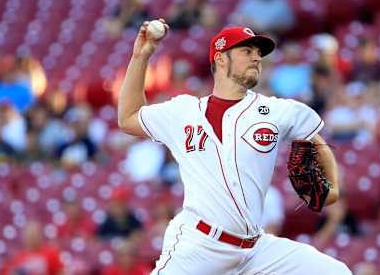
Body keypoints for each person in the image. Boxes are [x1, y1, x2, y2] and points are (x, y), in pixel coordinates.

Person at [117, 20, 350, 274]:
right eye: (246, 51)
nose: (257, 58)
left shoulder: (276, 110)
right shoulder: (183, 111)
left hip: (256, 250)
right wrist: (142, 56)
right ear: (221, 59)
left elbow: (316, 139)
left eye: (259, 53)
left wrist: (333, 187)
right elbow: (128, 117)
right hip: (200, 247)